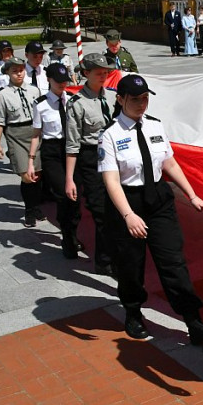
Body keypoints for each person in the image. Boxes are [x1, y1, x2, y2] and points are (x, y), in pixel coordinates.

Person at [98, 74, 203, 344]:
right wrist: (128, 215)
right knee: (130, 264)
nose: (142, 104)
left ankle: (193, 320)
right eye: (136, 99)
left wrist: (191, 193)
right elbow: (111, 181)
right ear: (120, 99)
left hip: (159, 199)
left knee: (173, 262)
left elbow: (169, 164)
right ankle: (133, 311)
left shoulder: (155, 127)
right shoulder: (110, 136)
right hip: (128, 202)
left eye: (146, 98)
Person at [65, 53, 118, 276]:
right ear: (86, 74)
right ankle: (104, 261)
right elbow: (72, 144)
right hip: (90, 159)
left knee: (116, 209)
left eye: (106, 72)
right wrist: (69, 179)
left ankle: (112, 255)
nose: (103, 76)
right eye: (99, 72)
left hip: (114, 157)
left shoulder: (114, 97)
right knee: (101, 210)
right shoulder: (77, 104)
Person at [27, 63, 82, 258]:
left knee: (76, 197)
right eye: (58, 81)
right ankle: (68, 238)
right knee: (63, 194)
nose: (62, 84)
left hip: (73, 149)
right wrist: (31, 161)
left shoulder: (74, 101)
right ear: (49, 80)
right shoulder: (40, 104)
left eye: (65, 81)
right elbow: (36, 135)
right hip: (52, 152)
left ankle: (72, 231)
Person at [0, 56, 43, 227]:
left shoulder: (34, 91)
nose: (19, 74)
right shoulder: (2, 95)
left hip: (35, 133)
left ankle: (36, 206)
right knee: (26, 175)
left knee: (38, 173)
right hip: (16, 134)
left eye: (21, 70)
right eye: (14, 71)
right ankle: (29, 210)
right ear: (7, 73)